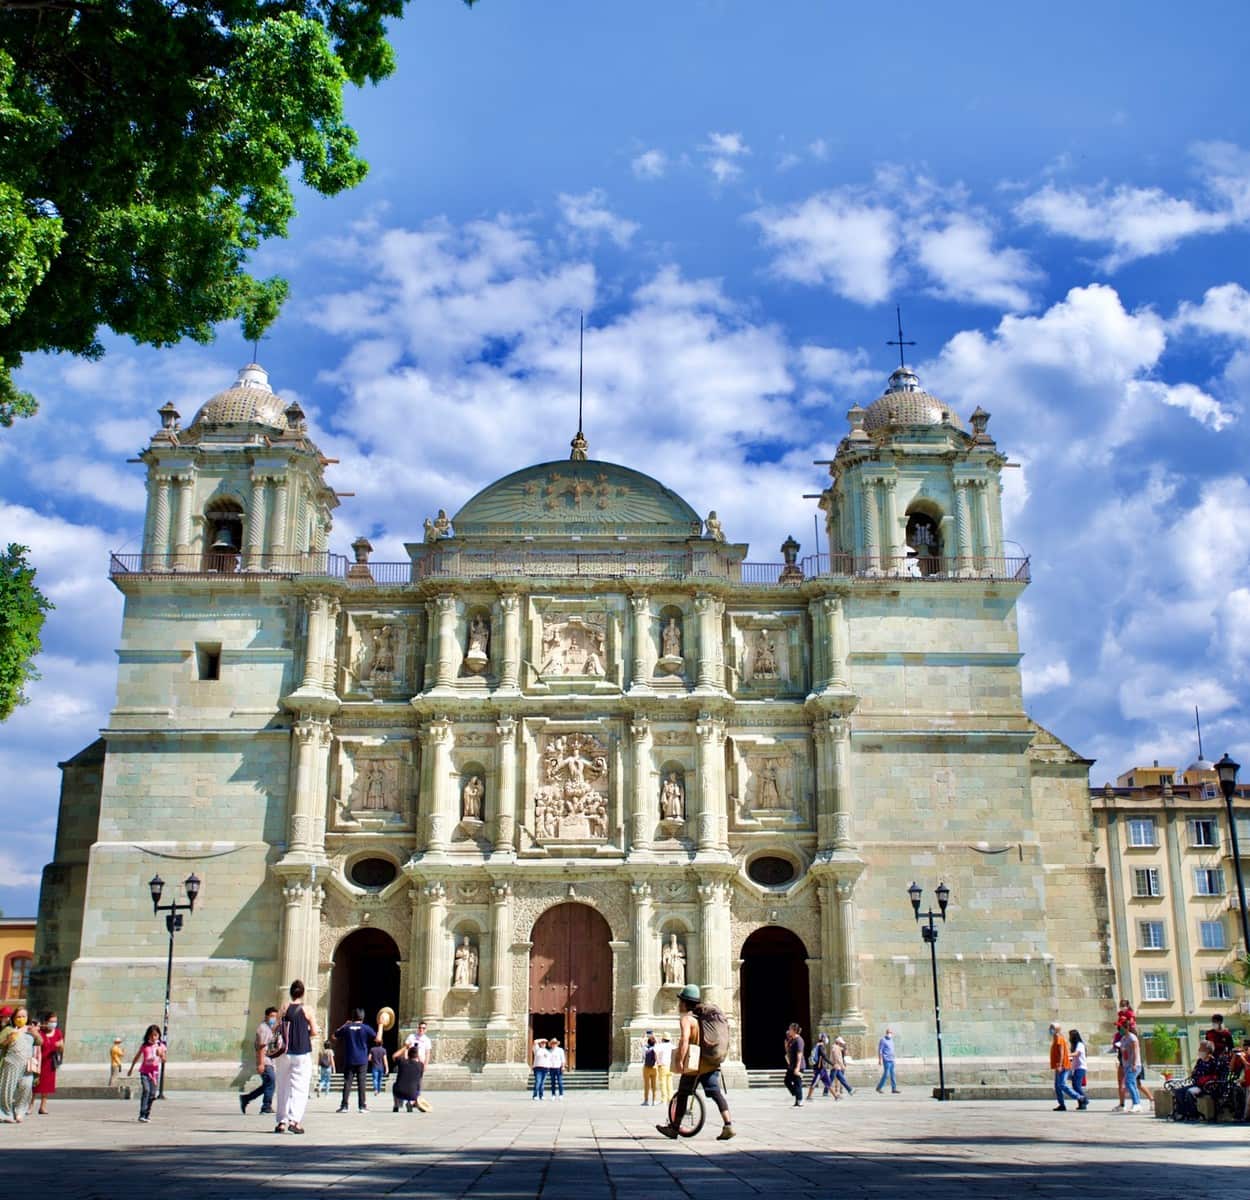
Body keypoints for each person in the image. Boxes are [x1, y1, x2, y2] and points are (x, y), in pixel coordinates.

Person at [656, 984, 735, 1141]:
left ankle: (674, 1128)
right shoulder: (702, 1019)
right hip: (709, 1064)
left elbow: (685, 1040)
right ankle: (728, 1125)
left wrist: (679, 1061)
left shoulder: (687, 1019)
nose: (679, 1005)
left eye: (680, 1002)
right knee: (715, 1093)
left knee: (683, 1094)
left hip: (693, 1066)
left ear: (685, 1003)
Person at [274, 978, 319, 1134]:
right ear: (303, 993)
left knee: (283, 1087)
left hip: (284, 1053)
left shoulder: (284, 1007)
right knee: (299, 1088)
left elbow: (275, 1028)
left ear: (290, 993)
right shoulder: (307, 1010)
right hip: (301, 1052)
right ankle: (295, 1121)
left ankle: (281, 1122)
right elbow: (314, 1031)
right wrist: (303, 1033)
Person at [0, 1006, 44, 1124]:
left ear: (27, 1017)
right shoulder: (8, 1029)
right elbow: (1, 1044)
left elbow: (40, 1042)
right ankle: (6, 1113)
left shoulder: (30, 1029)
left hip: (27, 1064)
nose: (21, 1019)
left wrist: (35, 1033)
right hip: (11, 1063)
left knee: (26, 1087)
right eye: (18, 1016)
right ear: (13, 1018)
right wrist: (9, 1039)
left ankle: (20, 1111)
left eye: (23, 1016)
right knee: (8, 1089)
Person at [334, 1008, 381, 1113]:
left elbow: (334, 1036)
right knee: (361, 1083)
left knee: (347, 1083)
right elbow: (378, 1039)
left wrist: (344, 1024)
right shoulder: (366, 1028)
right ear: (363, 1017)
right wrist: (381, 1025)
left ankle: (344, 1106)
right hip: (362, 1059)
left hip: (349, 1059)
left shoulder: (346, 1028)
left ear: (352, 1017)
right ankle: (362, 1106)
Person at [240, 1006, 279, 1115]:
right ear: (266, 1016)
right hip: (265, 1060)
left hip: (269, 1060)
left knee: (268, 1084)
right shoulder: (263, 1028)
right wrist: (261, 1063)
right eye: (272, 1016)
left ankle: (246, 1098)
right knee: (271, 1081)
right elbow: (261, 1047)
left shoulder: (269, 1028)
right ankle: (266, 1107)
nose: (274, 1019)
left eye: (276, 1016)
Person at [126, 1024, 165, 1124]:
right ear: (148, 1036)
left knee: (152, 1094)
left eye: (155, 1035)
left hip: (155, 1073)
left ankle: (147, 1114)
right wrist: (131, 1069)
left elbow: (164, 1059)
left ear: (158, 1036)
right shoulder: (145, 1046)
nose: (153, 1037)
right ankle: (142, 1115)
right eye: (151, 1035)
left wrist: (161, 1054)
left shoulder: (161, 1046)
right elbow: (137, 1057)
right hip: (145, 1072)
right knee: (146, 1090)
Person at [33, 1011, 64, 1115]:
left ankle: (43, 1106)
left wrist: (60, 1045)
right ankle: (30, 1105)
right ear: (45, 1021)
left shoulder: (58, 1032)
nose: (53, 1023)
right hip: (38, 1060)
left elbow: (62, 1047)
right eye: (51, 1021)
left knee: (46, 1085)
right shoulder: (40, 1032)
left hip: (50, 1062)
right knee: (34, 1083)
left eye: (55, 1021)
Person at [1049, 1023, 1082, 1111]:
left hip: (1062, 1065)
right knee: (1057, 1086)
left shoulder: (1059, 1038)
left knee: (1062, 1084)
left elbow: (1061, 1052)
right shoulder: (1056, 1038)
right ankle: (1061, 1105)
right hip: (1058, 1065)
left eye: (1052, 1028)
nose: (1050, 1030)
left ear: (1056, 1029)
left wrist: (1059, 1064)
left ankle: (1079, 1097)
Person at [1114, 1021, 1143, 1113]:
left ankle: (1136, 1104)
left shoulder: (1132, 1038)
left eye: (1121, 1028)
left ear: (1126, 1028)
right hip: (1126, 1064)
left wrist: (1134, 1064)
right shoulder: (1123, 1038)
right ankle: (1137, 1104)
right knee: (1133, 1084)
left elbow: (1135, 1051)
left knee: (1128, 1083)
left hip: (1133, 1065)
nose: (1120, 1030)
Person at [391, 1045, 424, 1112]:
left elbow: (394, 1056)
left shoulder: (402, 1062)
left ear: (408, 1055)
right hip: (413, 1095)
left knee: (395, 1084)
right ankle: (410, 1103)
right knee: (414, 1083)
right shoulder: (420, 1065)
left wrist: (405, 1047)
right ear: (417, 1056)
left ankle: (396, 1105)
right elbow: (421, 1062)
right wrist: (418, 1055)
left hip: (399, 1092)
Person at [1068, 1027, 1090, 1110]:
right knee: (1075, 1086)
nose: (1069, 1038)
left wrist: (1066, 1055)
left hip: (1080, 1068)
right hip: (1076, 1068)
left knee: (1077, 1086)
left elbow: (1077, 1054)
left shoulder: (1080, 1045)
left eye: (1070, 1036)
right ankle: (1081, 1104)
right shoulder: (1075, 1045)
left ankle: (1084, 1099)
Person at [784, 1023, 805, 1107]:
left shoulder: (799, 1040)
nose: (789, 1030)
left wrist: (797, 1067)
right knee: (787, 1080)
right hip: (792, 1065)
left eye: (790, 1029)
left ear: (794, 1030)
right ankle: (796, 1094)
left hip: (798, 1065)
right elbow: (788, 1052)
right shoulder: (791, 1039)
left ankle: (799, 1101)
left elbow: (799, 1054)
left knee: (797, 1083)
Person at [806, 1032, 833, 1100]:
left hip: (822, 1069)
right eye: (826, 1037)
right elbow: (824, 1057)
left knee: (828, 1083)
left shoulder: (819, 1045)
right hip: (819, 1069)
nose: (827, 1039)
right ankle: (809, 1096)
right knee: (814, 1082)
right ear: (823, 1038)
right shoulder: (821, 1047)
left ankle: (836, 1096)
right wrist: (832, 1064)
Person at [876, 1026, 899, 1093]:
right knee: (886, 1074)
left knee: (893, 1074)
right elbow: (880, 1050)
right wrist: (880, 1060)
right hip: (886, 1060)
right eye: (888, 1032)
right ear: (886, 1033)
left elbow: (891, 1050)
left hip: (892, 1059)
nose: (890, 1034)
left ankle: (894, 1089)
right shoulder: (883, 1040)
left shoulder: (891, 1040)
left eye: (891, 1032)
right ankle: (879, 1087)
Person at [655, 1034, 673, 1106]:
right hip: (670, 1066)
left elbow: (655, 1053)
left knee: (663, 1083)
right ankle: (670, 1099)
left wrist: (658, 1062)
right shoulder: (672, 1046)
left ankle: (664, 1099)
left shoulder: (660, 1046)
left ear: (663, 1039)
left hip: (662, 1066)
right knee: (669, 1083)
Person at [642, 1033, 659, 1106]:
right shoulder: (655, 1048)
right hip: (654, 1068)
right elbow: (657, 1043)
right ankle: (654, 1100)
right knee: (654, 1085)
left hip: (646, 1068)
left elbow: (642, 1043)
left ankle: (646, 1101)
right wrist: (654, 1036)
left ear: (648, 1042)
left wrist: (644, 1037)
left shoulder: (645, 1049)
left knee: (646, 1085)